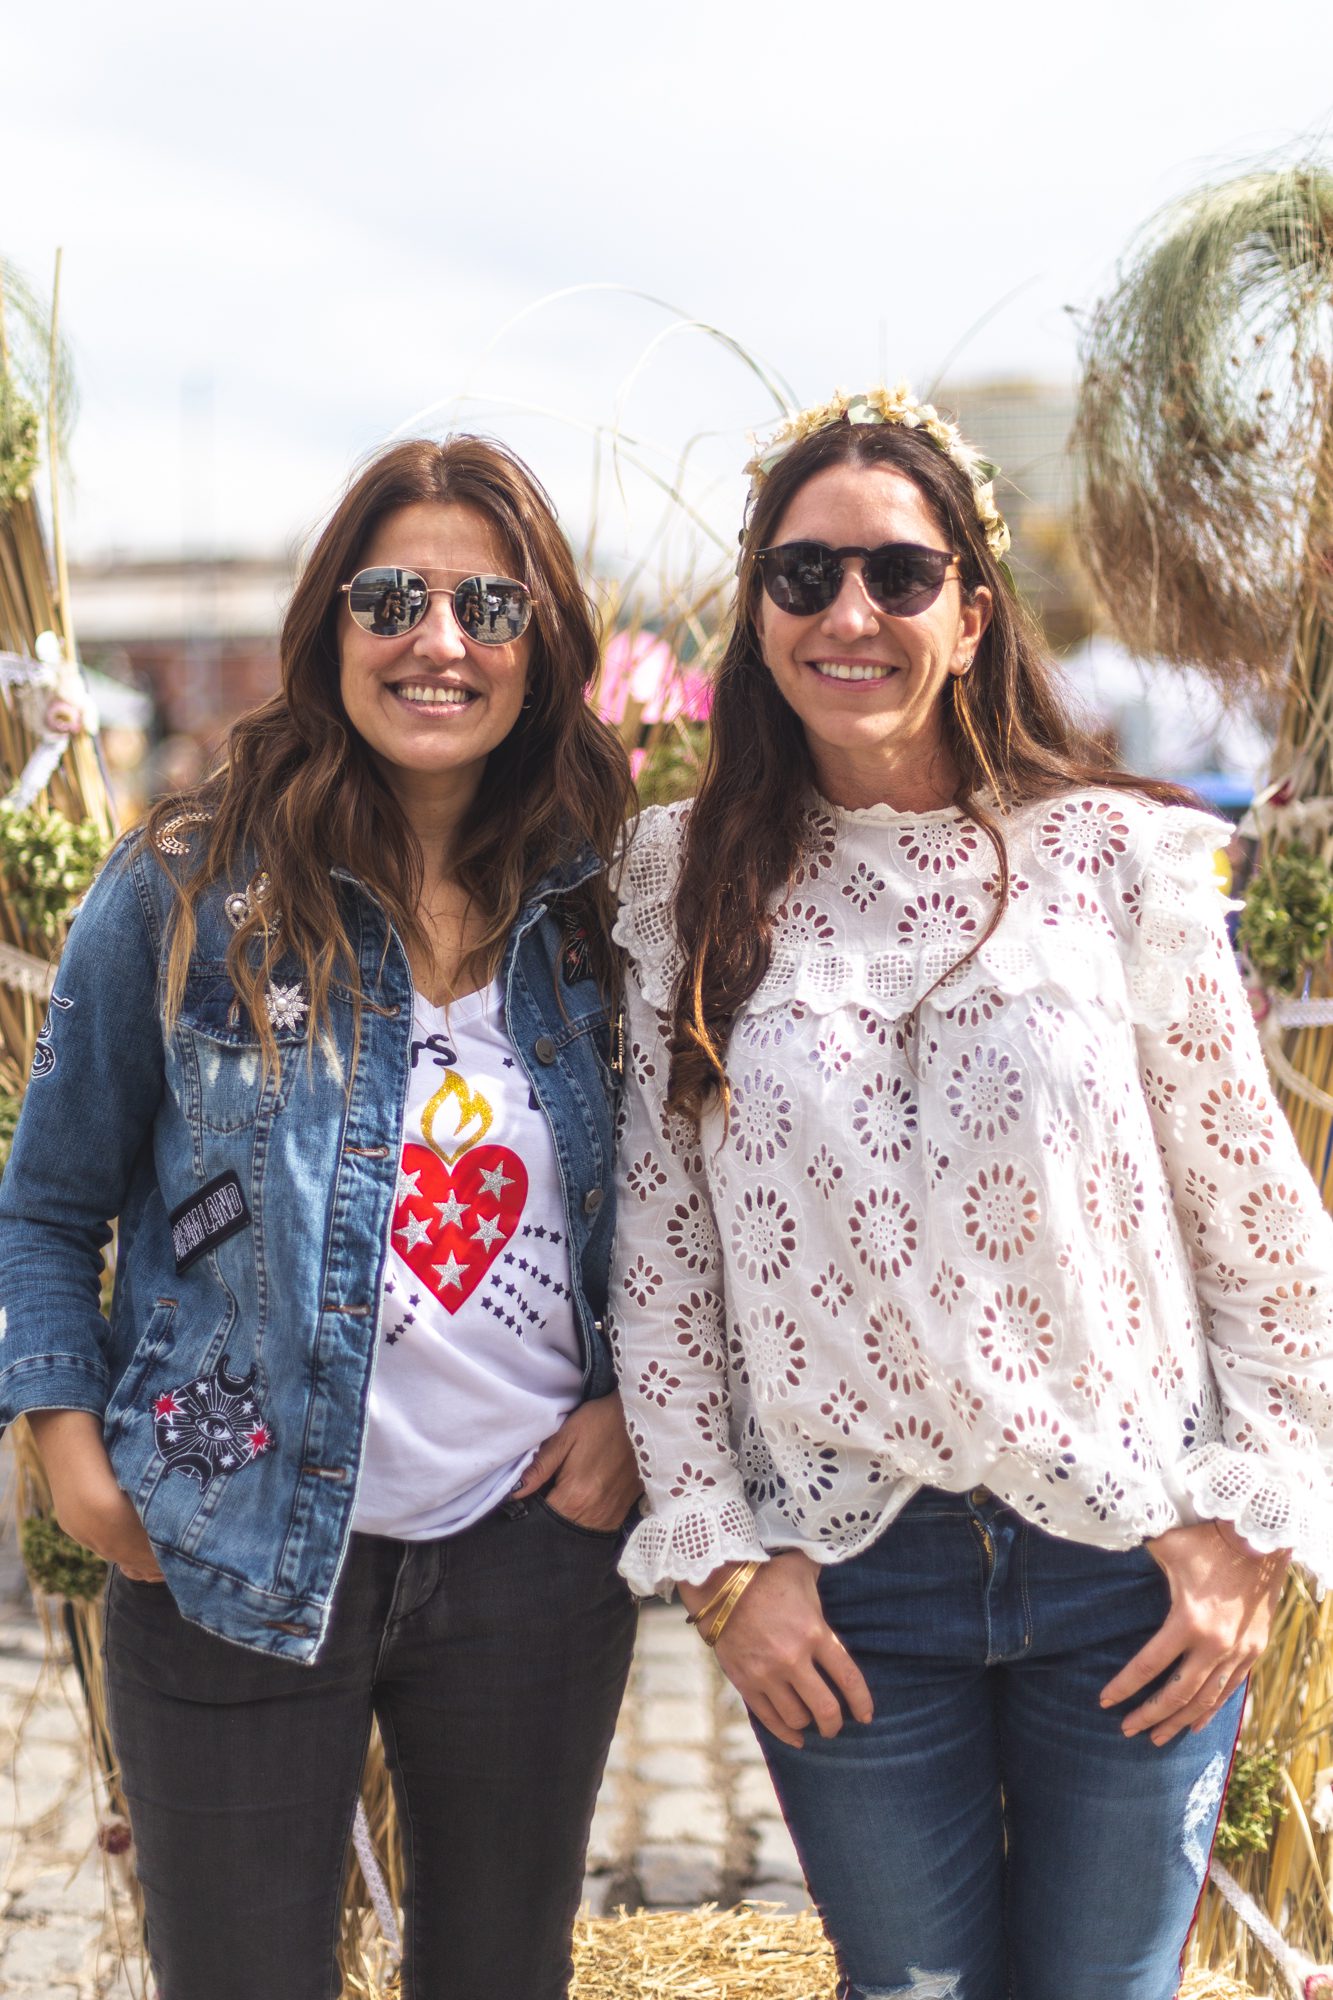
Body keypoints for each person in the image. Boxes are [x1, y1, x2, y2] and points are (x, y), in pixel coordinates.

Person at [609, 385, 1333, 2000]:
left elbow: (1259, 1223)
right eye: (802, 575)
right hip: (848, 1585)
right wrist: (724, 1567)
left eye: (898, 573)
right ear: (756, 612)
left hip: (1129, 1564)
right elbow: (660, 1264)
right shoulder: (680, 878)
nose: (848, 613)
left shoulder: (1114, 858)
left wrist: (1247, 1529)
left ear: (972, 610)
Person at [0, 436, 641, 2000]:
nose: (439, 639)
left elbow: (681, 1211)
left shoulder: (606, 906)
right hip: (222, 1544)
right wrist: (71, 1458)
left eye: (489, 605)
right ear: (328, 625)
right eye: (391, 598)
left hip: (526, 1562)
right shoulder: (185, 891)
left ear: (542, 645)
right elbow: (44, 1204)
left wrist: (634, 1408)